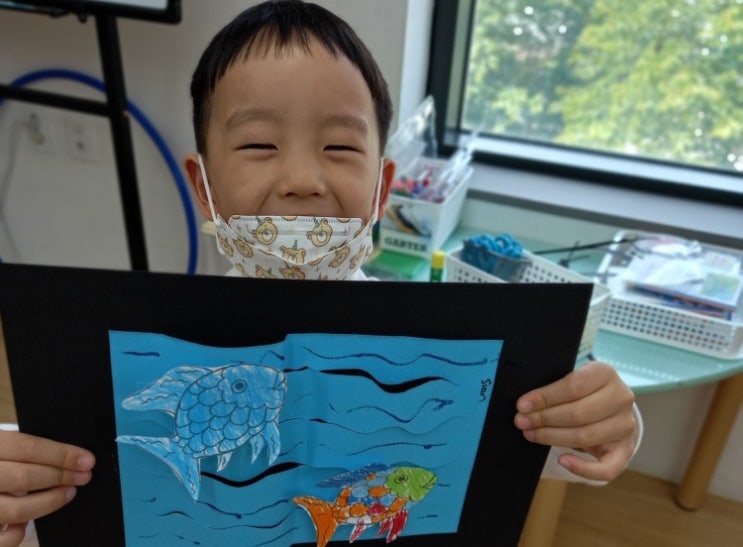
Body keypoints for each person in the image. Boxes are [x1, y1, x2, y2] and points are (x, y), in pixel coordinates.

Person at [0, 1, 640, 545]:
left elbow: (537, 449)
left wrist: (610, 423)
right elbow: (71, 473)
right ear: (204, 188)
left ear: (381, 190)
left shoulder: (436, 348)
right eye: (258, 145)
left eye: (339, 147)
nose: (303, 180)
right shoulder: (153, 344)